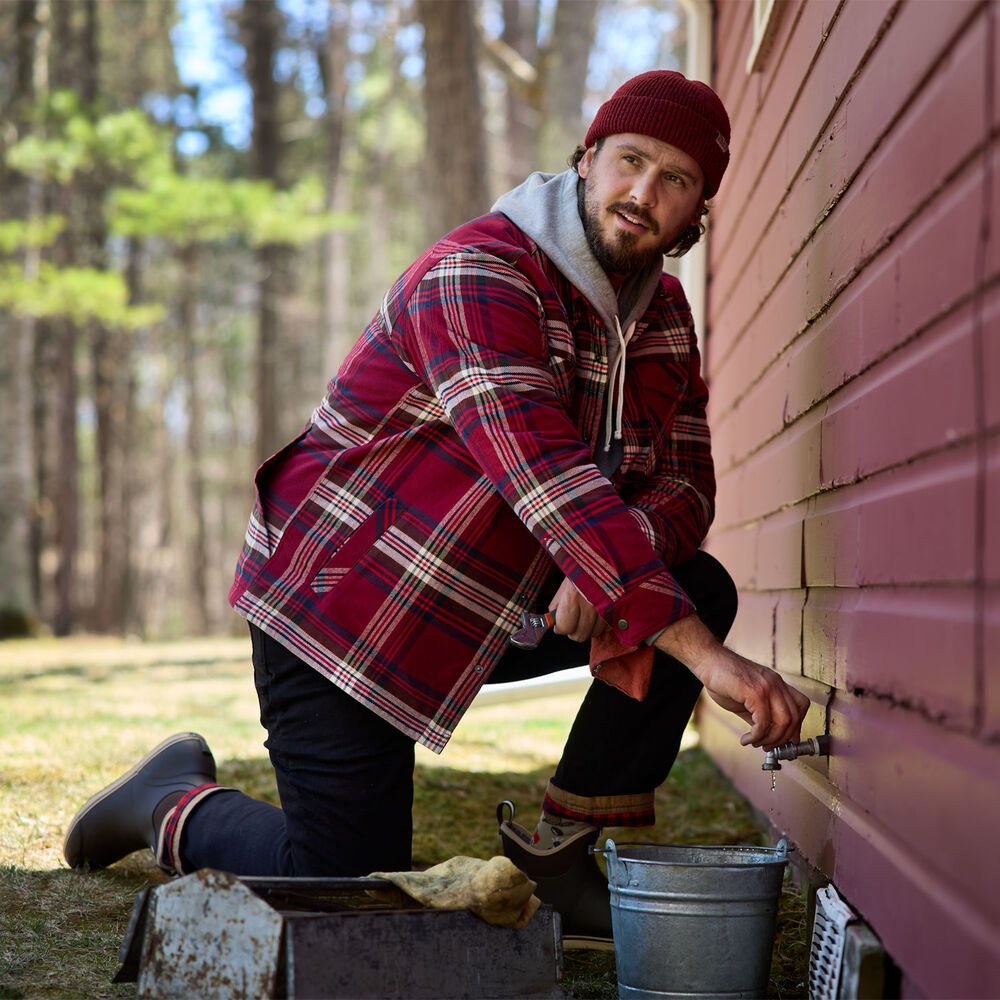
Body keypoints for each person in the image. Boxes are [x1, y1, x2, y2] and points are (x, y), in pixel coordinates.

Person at [64, 70, 809, 947]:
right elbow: (540, 470)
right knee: (344, 883)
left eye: (675, 180)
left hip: (493, 597)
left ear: (698, 212)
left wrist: (611, 558)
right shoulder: (477, 273)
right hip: (348, 600)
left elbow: (689, 483)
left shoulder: (665, 316)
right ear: (586, 158)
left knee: (694, 583)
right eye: (630, 161)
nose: (643, 193)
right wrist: (692, 648)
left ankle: (557, 862)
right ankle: (165, 798)